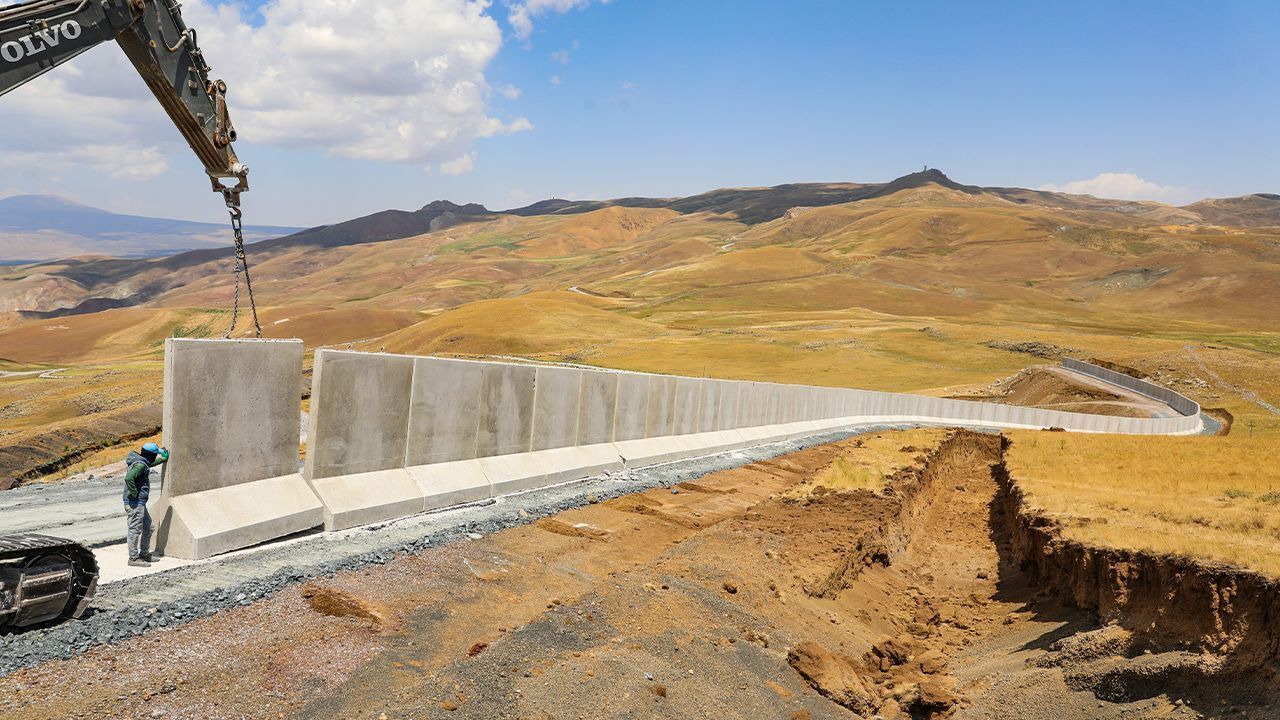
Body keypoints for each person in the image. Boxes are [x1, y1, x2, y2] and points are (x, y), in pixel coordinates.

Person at [123, 441, 169, 567]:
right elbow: (129, 478)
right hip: (135, 502)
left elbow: (148, 464)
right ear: (151, 455)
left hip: (139, 503)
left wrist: (162, 459)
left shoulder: (142, 462)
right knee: (135, 529)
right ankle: (133, 558)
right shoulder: (139, 465)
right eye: (156, 454)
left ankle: (144, 554)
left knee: (148, 527)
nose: (156, 456)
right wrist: (134, 492)